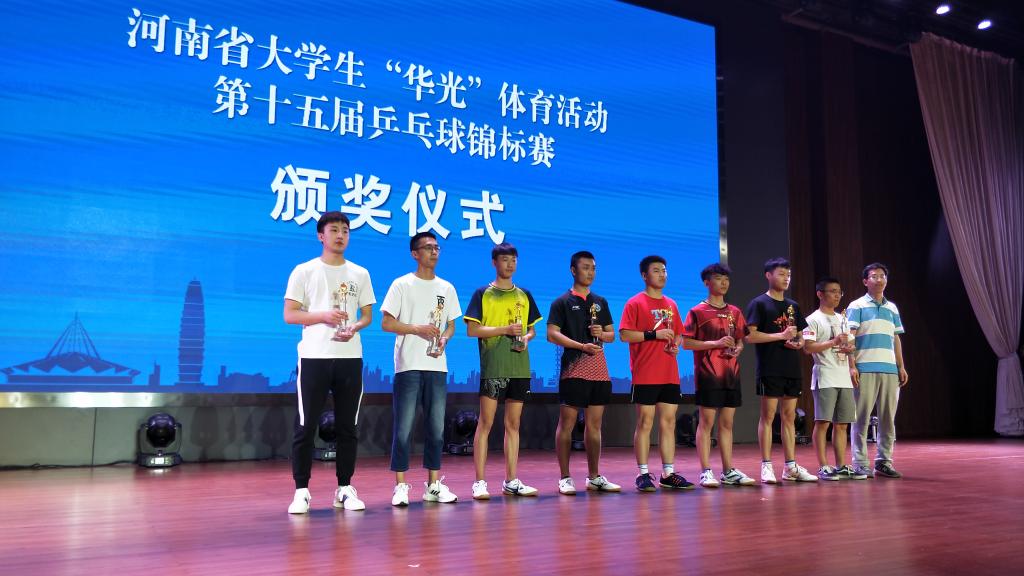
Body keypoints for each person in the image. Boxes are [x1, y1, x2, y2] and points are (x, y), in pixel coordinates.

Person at [284, 212, 375, 514]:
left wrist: (355, 327)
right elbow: (290, 314)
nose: (340, 235)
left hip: (350, 357)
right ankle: (301, 491)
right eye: (334, 230)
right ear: (320, 236)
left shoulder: (360, 273)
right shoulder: (304, 270)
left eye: (345, 231)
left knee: (348, 427)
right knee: (305, 425)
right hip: (314, 356)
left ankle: (345, 488)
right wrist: (322, 316)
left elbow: (367, 316)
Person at [381, 231, 462, 505]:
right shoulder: (401, 284)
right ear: (415, 254)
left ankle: (433, 485)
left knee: (436, 429)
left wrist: (445, 338)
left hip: (437, 365)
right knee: (403, 429)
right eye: (428, 248)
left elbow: (451, 324)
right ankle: (401, 486)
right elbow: (387, 323)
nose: (434, 252)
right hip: (408, 365)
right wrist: (417, 329)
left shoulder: (446, 288)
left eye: (437, 247)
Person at [465, 242, 542, 499]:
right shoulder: (482, 293)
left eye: (513, 260)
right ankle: (479, 481)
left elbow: (532, 330)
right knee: (485, 423)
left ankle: (511, 480)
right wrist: (504, 330)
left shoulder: (524, 295)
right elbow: (472, 330)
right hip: (493, 367)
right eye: (505, 259)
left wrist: (526, 337)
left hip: (519, 367)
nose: (510, 264)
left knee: (513, 424)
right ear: (494, 263)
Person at [547, 251, 621, 495]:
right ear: (573, 270)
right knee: (567, 424)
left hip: (599, 370)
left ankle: (594, 476)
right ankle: (565, 477)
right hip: (573, 369)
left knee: (595, 425)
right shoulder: (562, 302)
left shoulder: (600, 302)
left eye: (593, 268)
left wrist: (601, 334)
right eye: (586, 267)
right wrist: (580, 346)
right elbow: (552, 334)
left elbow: (612, 335)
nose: (590, 272)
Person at [619, 255, 695, 492]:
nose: (662, 274)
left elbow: (679, 334)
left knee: (669, 422)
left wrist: (675, 344)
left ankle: (668, 473)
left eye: (664, 270)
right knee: (645, 422)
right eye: (656, 270)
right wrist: (654, 335)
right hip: (645, 372)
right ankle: (642, 474)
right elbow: (625, 335)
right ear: (644, 275)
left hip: (669, 373)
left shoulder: (671, 304)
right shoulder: (635, 303)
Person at [681, 263, 756, 488]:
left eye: (726, 279)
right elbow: (686, 343)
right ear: (707, 282)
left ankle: (728, 470)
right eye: (718, 278)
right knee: (706, 422)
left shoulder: (735, 312)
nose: (723, 283)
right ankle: (705, 471)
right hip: (708, 374)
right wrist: (715, 343)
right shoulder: (697, 311)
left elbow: (741, 340)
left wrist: (738, 348)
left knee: (727, 423)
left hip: (731, 373)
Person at [744, 257, 817, 483]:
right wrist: (780, 335)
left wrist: (799, 342)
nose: (786, 278)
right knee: (767, 416)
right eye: (781, 274)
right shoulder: (759, 303)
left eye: (789, 275)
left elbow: (803, 337)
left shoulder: (793, 306)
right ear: (768, 275)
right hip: (770, 367)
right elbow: (750, 336)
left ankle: (790, 466)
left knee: (789, 417)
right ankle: (766, 465)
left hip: (791, 368)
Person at [847, 263, 908, 478]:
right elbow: (850, 337)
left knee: (888, 418)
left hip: (889, 370)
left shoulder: (892, 308)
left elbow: (896, 338)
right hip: (865, 367)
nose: (879, 279)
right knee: (861, 418)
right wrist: (852, 366)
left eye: (882, 276)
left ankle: (884, 461)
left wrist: (900, 365)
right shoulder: (857, 305)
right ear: (865, 281)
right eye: (874, 276)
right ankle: (860, 462)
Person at [802, 277, 866, 481]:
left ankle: (841, 465)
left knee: (842, 424)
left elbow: (850, 346)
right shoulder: (812, 319)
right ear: (820, 294)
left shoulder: (842, 318)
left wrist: (851, 360)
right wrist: (833, 341)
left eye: (839, 292)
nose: (837, 295)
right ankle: (823, 466)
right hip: (825, 376)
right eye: (832, 291)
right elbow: (808, 348)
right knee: (823, 423)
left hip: (843, 377)